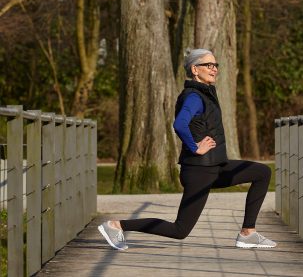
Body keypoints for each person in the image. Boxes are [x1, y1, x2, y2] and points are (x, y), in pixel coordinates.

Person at [98, 48, 276, 250]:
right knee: (180, 230)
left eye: (215, 65)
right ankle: (116, 225)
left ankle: (248, 233)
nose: (214, 69)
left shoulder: (204, 94)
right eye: (208, 65)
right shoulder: (194, 97)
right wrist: (195, 147)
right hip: (200, 171)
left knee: (261, 173)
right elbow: (180, 124)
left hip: (215, 168)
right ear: (194, 69)